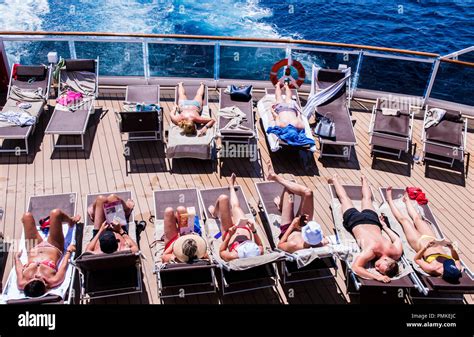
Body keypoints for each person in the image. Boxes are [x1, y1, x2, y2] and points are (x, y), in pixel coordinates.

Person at [329, 174, 403, 283]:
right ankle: (335, 179)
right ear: (387, 260)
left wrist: (385, 227)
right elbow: (356, 268)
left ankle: (364, 179)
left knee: (367, 198)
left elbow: (397, 239)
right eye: (379, 267)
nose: (376, 268)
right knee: (344, 199)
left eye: (378, 271)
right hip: (355, 221)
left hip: (373, 221)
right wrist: (378, 277)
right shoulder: (371, 251)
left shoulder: (396, 252)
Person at [385, 187, 462, 283]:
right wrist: (451, 248)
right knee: (418, 218)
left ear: (444, 272)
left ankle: (390, 200)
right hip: (432, 239)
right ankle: (407, 201)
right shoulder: (456, 269)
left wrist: (425, 248)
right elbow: (456, 259)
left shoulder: (432, 268)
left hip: (419, 243)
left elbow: (416, 259)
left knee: (404, 221)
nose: (447, 264)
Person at [15, 209, 80, 297]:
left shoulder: (22, 283)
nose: (36, 276)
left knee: (26, 216)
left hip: (33, 247)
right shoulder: (54, 280)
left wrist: (17, 258)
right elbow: (64, 266)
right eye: (39, 279)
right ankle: (71, 221)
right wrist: (68, 251)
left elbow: (19, 270)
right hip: (53, 246)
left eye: (32, 279)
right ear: (45, 286)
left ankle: (68, 220)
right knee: (56, 213)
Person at [266, 161, 328, 253]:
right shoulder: (322, 243)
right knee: (308, 193)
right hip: (302, 224)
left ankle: (281, 204)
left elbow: (279, 246)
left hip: (288, 228)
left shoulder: (294, 245)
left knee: (289, 190)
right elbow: (325, 240)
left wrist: (292, 225)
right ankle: (275, 177)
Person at [208, 173, 264, 262]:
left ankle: (214, 213)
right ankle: (231, 186)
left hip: (229, 232)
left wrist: (229, 235)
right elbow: (260, 245)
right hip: (244, 228)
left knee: (223, 198)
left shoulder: (234, 256)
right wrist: (253, 230)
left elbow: (221, 251)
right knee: (236, 207)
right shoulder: (258, 251)